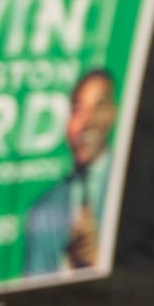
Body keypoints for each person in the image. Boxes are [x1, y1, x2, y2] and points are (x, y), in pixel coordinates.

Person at [18, 66, 117, 277]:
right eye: (78, 110)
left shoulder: (128, 184)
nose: (87, 122)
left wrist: (99, 259)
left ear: (112, 113)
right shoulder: (44, 208)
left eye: (98, 107)